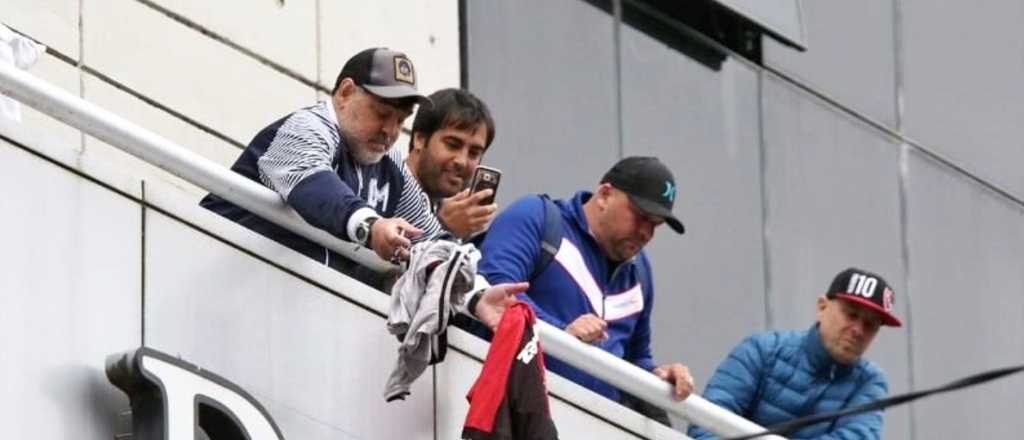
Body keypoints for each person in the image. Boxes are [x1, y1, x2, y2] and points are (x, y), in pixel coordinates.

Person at [470, 156, 696, 408]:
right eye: (640, 216)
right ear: (604, 195)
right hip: (510, 410)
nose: (646, 233)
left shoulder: (640, 273)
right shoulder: (536, 216)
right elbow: (493, 293)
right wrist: (563, 331)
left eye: (656, 225)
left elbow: (635, 357)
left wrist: (659, 377)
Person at [200, 47, 435, 271]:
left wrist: (470, 290)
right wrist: (372, 227)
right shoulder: (307, 127)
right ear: (345, 93)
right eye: (381, 113)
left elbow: (429, 236)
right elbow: (317, 188)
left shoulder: (390, 164)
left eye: (401, 120)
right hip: (207, 270)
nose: (390, 131)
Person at [687, 268, 902, 439]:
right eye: (851, 314)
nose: (858, 330)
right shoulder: (762, 350)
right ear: (822, 307)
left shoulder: (870, 381)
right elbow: (706, 423)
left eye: (870, 324)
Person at [388, 88, 498, 241]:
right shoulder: (382, 182)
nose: (462, 161)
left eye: (474, 153)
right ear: (419, 139)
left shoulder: (455, 214)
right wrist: (444, 228)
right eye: (452, 145)